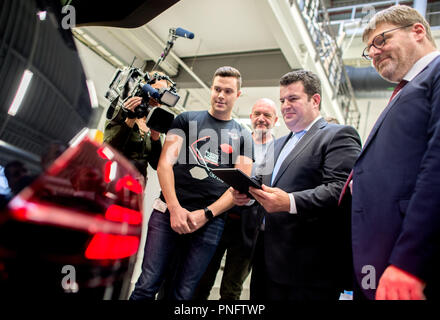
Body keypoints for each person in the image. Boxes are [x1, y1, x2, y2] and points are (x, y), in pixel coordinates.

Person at [232, 70, 361, 300]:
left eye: (293, 99)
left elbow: (339, 189)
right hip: (265, 257)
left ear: (315, 100)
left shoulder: (337, 135)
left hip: (307, 267)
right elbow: (265, 185)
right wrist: (248, 195)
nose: (285, 105)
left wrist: (289, 202)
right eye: (282, 100)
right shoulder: (277, 143)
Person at [129, 66, 254, 300]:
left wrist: (205, 215)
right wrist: (175, 209)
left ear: (238, 95)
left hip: (209, 223)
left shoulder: (243, 135)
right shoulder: (186, 119)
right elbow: (165, 164)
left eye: (228, 91)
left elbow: (237, 187)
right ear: (211, 88)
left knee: (184, 293)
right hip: (167, 213)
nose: (220, 95)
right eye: (217, 89)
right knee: (147, 284)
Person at [347, 5, 440, 300]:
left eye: (381, 40)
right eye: (368, 49)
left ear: (417, 30)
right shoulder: (406, 90)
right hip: (380, 257)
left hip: (410, 261)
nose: (373, 52)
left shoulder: (435, 72)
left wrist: (410, 261)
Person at [193, 98, 278, 300]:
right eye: (257, 114)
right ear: (250, 117)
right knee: (202, 279)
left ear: (275, 120)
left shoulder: (279, 151)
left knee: (231, 288)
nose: (261, 119)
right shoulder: (234, 142)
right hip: (220, 217)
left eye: (267, 115)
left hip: (250, 226)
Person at [103, 72, 169, 185]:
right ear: (144, 88)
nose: (158, 97)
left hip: (136, 187)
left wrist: (155, 136)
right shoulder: (121, 111)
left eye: (164, 94)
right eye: (156, 91)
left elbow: (156, 164)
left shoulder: (157, 124)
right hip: (111, 180)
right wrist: (130, 119)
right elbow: (108, 149)